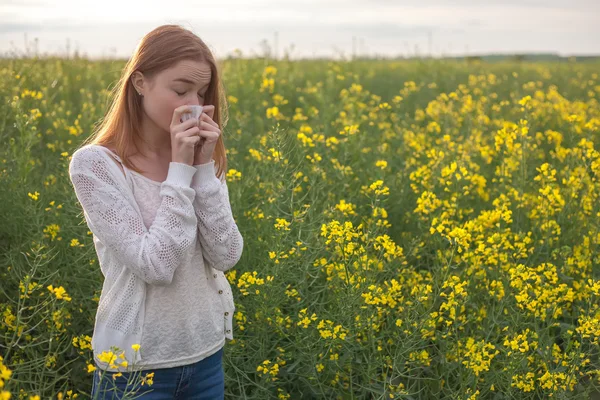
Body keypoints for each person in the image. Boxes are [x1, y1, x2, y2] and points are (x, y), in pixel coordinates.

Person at [68, 24, 244, 399]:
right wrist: (180, 172)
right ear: (139, 83)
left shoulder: (203, 157)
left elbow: (226, 255)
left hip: (206, 358)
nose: (193, 105)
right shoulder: (96, 166)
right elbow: (156, 265)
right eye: (180, 90)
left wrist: (201, 170)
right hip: (136, 369)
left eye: (202, 92)